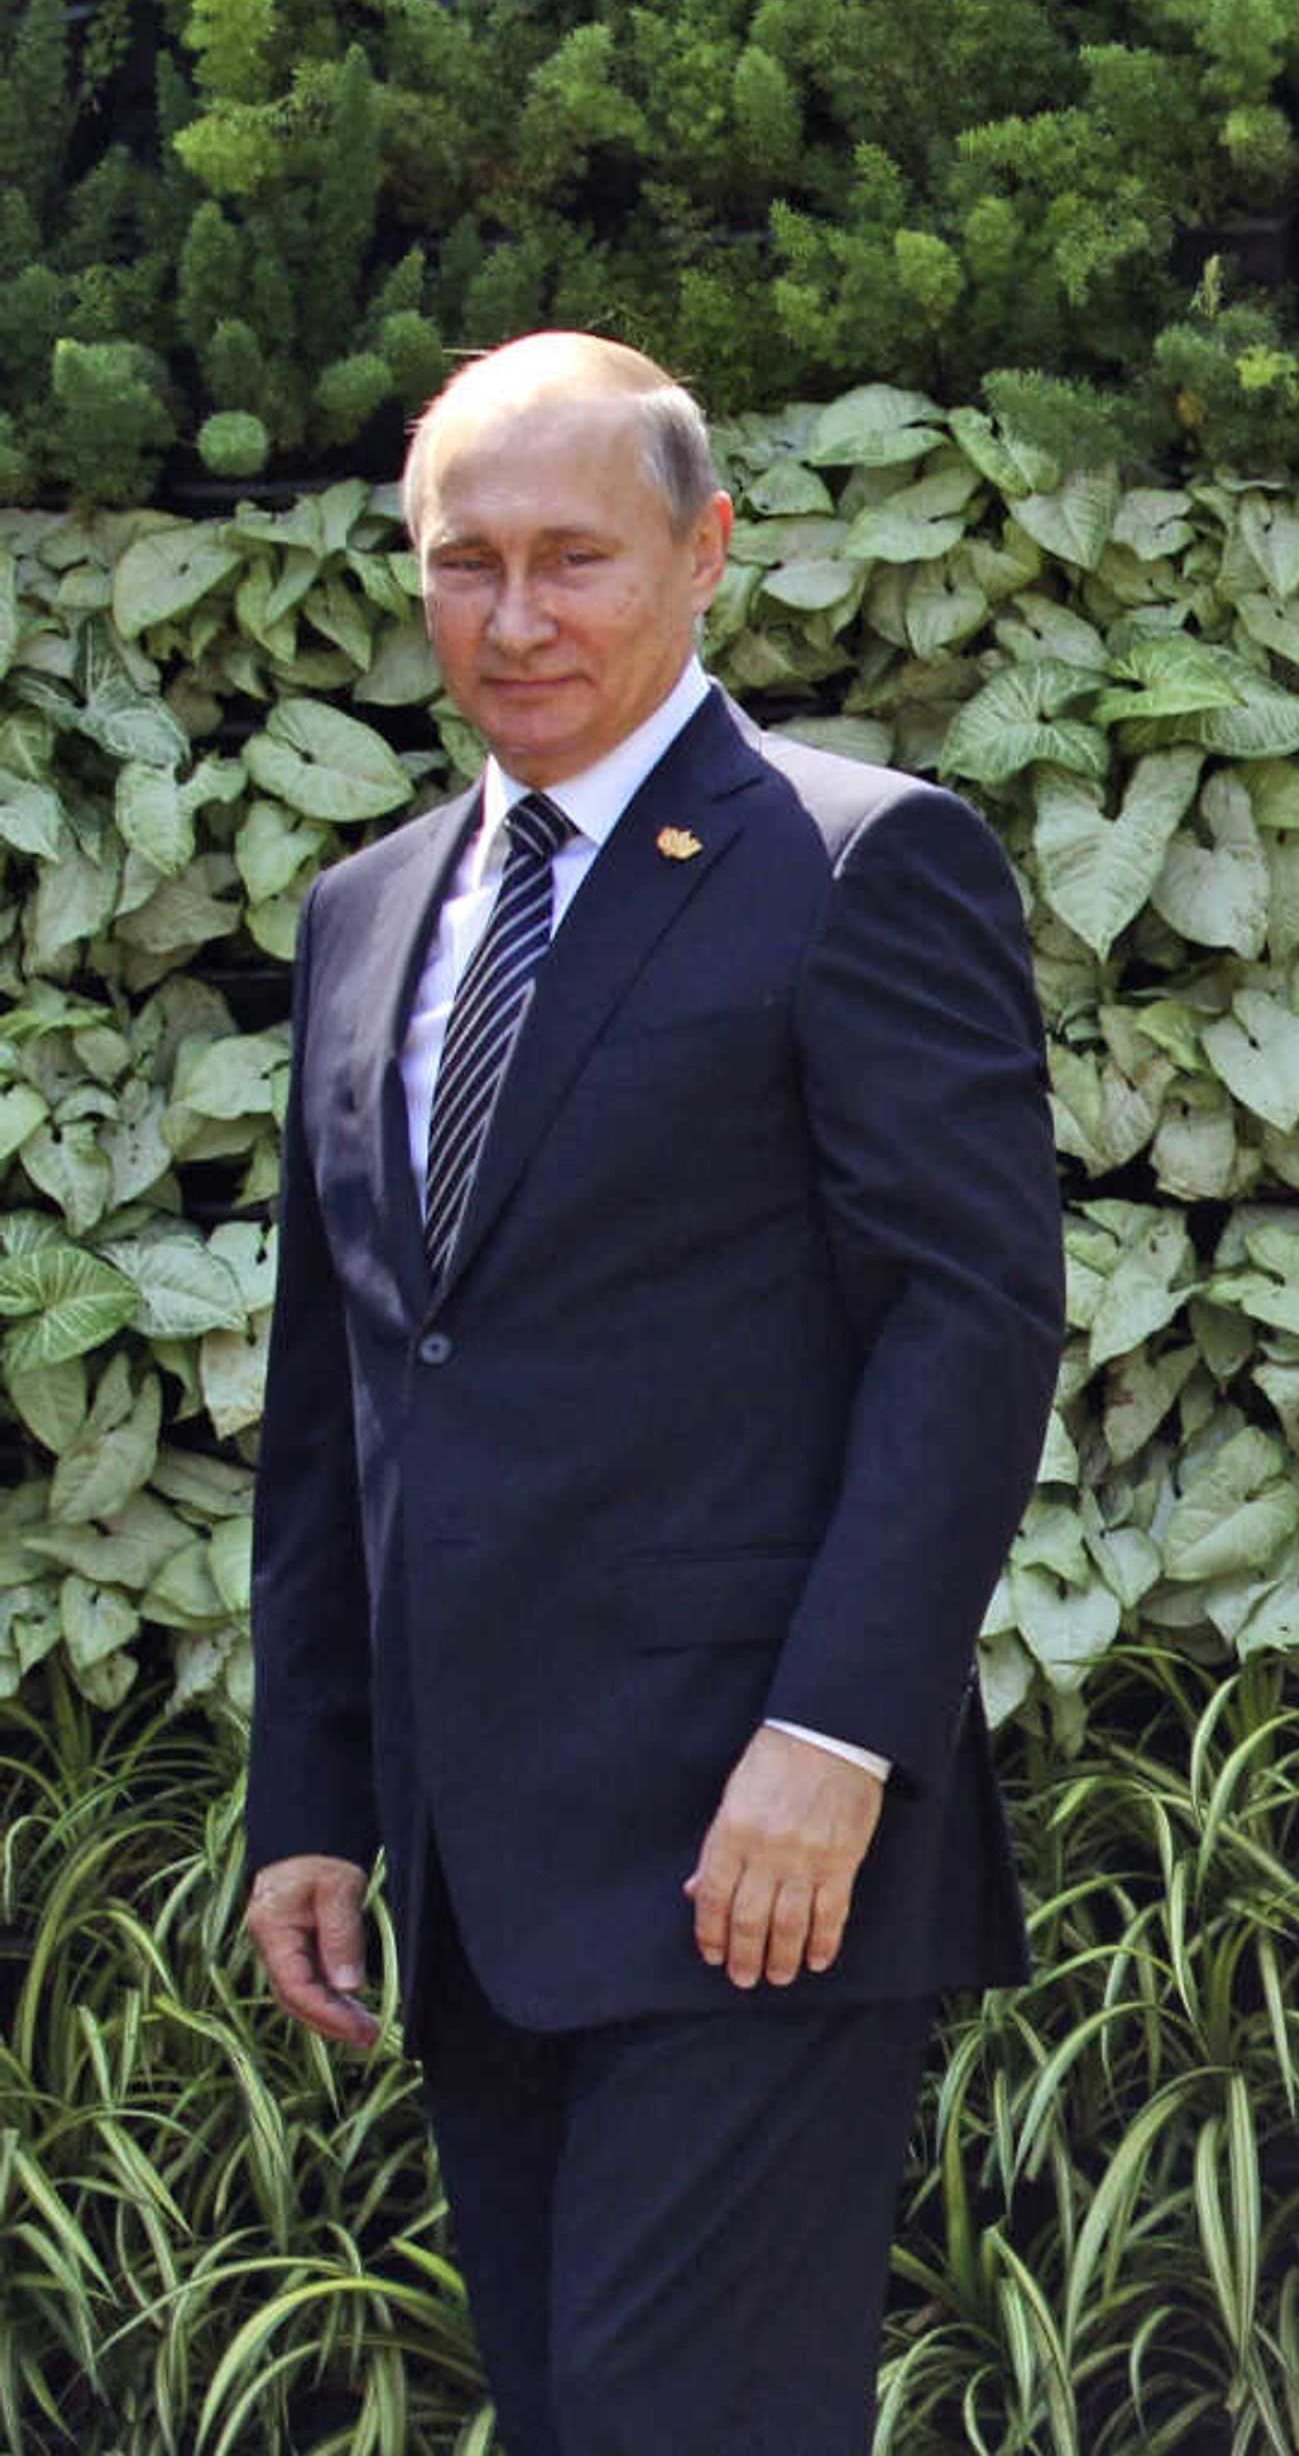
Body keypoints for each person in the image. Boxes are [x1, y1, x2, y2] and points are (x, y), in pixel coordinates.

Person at [239, 332, 1065, 2454]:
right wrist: (315, 1797)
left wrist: (836, 1738)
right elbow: (347, 1375)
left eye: (575, 559)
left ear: (706, 552)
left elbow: (967, 1326)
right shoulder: (365, 912)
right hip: (472, 1864)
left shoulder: (859, 863)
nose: (516, 620)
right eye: (465, 563)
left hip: (756, 1850)